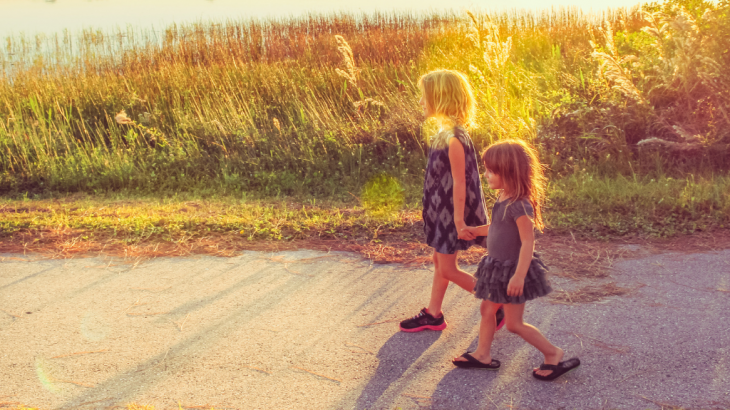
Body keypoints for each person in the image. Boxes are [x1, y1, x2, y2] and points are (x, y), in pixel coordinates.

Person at [452, 139, 580, 381]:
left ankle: (553, 354)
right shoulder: (502, 197)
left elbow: (528, 242)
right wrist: (474, 230)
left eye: (491, 171)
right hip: (496, 267)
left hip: (512, 271)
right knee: (487, 308)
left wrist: (519, 275)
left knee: (513, 324)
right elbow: (497, 227)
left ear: (508, 172)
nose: (486, 175)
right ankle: (482, 354)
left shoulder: (520, 205)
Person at [399, 69, 504, 333]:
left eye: (425, 97)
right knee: (440, 262)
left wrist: (458, 221)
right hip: (440, 213)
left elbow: (461, 182)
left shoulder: (455, 139)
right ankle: (434, 314)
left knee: (447, 268)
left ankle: (497, 304)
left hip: (451, 215)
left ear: (441, 98)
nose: (421, 102)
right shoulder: (444, 133)